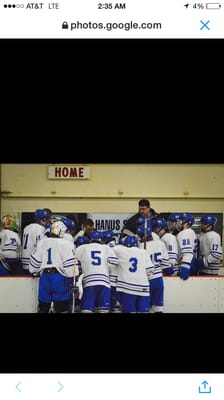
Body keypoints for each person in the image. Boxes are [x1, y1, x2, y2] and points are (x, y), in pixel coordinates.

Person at [29, 220, 78, 313]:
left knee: (43, 306)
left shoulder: (42, 242)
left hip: (45, 278)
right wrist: (72, 280)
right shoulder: (66, 244)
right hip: (59, 278)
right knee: (61, 307)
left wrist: (33, 271)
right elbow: (70, 265)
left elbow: (34, 262)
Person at [76, 230, 117, 313]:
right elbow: (114, 261)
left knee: (86, 310)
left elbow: (73, 260)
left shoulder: (82, 248)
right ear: (101, 239)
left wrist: (83, 266)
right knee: (103, 310)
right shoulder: (106, 247)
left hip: (89, 282)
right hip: (104, 282)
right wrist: (105, 267)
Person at [137, 221, 172, 313]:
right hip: (158, 280)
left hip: (145, 281)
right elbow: (166, 265)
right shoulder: (160, 244)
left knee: (144, 309)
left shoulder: (139, 247)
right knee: (158, 308)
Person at [112, 235, 153, 313]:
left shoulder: (120, 251)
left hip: (127, 288)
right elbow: (150, 271)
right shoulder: (144, 252)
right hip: (143, 288)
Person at [21, 208, 51, 274]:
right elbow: (40, 246)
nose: (48, 221)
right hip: (32, 263)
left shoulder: (27, 227)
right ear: (43, 220)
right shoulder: (41, 229)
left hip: (24, 261)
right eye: (47, 219)